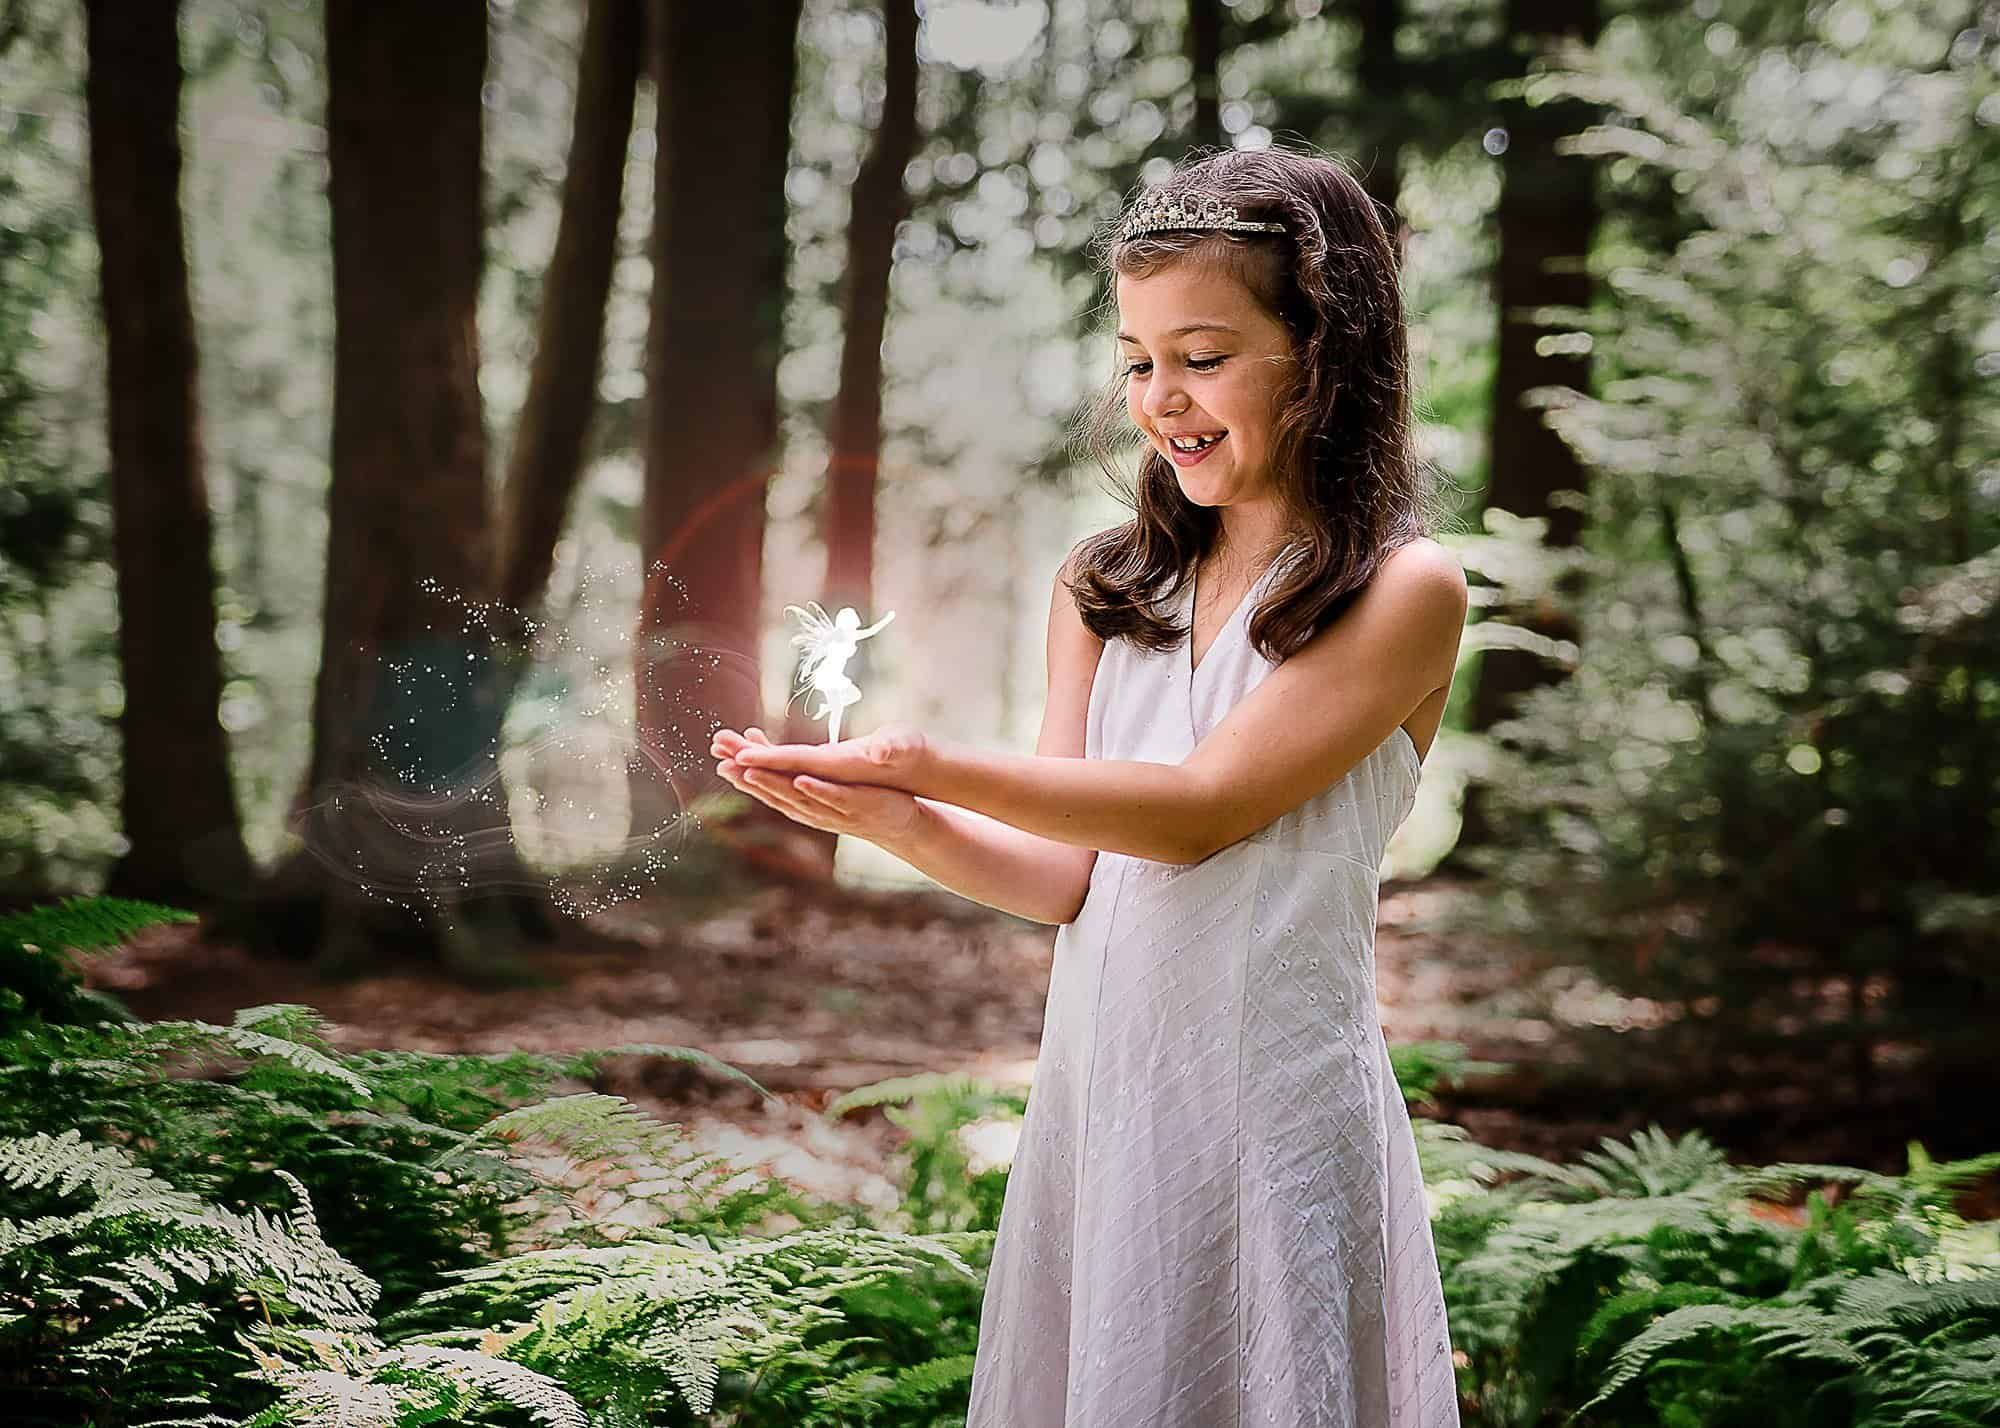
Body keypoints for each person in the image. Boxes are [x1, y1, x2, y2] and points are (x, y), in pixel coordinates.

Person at [711, 144, 1466, 1427]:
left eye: (1204, 355)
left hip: (1278, 1113)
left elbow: (1192, 815)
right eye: (1136, 359)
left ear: (1325, 354)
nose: (1161, 396)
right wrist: (900, 819)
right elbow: (1066, 876)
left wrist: (926, 757)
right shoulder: (1107, 588)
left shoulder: (1399, 593)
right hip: (1109, 1097)